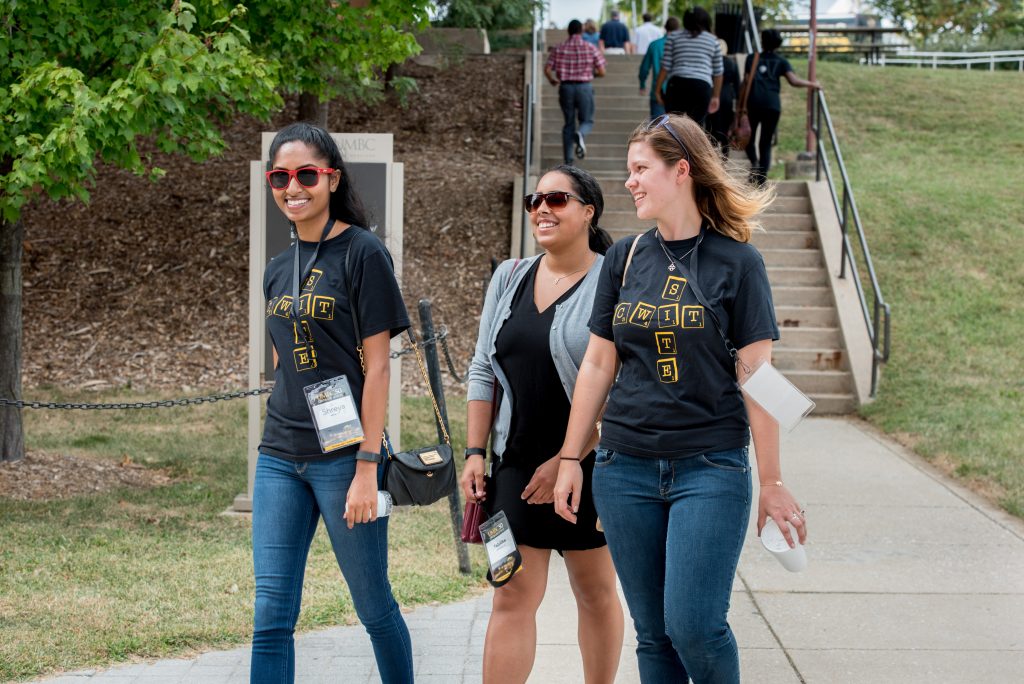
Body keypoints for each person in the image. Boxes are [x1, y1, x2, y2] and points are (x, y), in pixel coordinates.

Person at [552, 113, 808, 683]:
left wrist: (770, 481)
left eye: (641, 169)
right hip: (623, 468)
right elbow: (598, 362)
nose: (630, 182)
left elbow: (758, 379)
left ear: (682, 171)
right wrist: (572, 457)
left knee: (695, 625)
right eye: (629, 171)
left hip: (709, 466)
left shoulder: (739, 263)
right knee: (654, 634)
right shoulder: (623, 258)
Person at [254, 122, 413, 684]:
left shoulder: (363, 253)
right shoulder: (278, 265)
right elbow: (287, 358)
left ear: (331, 178)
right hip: (278, 455)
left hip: (345, 458)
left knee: (374, 606)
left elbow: (377, 369)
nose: (291, 187)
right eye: (280, 176)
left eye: (305, 175)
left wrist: (368, 466)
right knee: (271, 614)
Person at [463, 165, 624, 684]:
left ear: (588, 210)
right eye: (535, 199)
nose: (541, 208)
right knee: (509, 592)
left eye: (557, 198)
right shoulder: (508, 277)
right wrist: (473, 452)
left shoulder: (614, 281)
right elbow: (483, 366)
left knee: (595, 592)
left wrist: (569, 457)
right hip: (515, 465)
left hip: (592, 465)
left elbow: (621, 387)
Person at [745, 28, 822, 185]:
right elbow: (794, 81)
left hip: (753, 102)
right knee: (765, 142)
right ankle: (761, 179)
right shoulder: (781, 61)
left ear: (762, 41)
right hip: (772, 105)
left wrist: (739, 106)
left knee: (748, 139)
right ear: (778, 44)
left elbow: (745, 82)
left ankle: (755, 163)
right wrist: (813, 84)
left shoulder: (752, 58)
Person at [545, 20, 607, 166]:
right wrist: (591, 75)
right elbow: (602, 71)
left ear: (568, 31)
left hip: (566, 88)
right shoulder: (590, 47)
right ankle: (581, 134)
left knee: (568, 123)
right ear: (581, 31)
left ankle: (568, 160)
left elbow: (547, 69)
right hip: (584, 87)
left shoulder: (559, 48)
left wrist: (552, 80)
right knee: (587, 120)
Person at [655, 6, 723, 127]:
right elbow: (718, 73)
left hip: (677, 86)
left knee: (674, 125)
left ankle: (674, 145)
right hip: (702, 87)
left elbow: (665, 67)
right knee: (696, 128)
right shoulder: (713, 41)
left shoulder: (673, 37)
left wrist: (657, 90)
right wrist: (716, 96)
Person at [638, 16, 680, 119]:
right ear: (678, 29)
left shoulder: (654, 45)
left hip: (658, 91)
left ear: (665, 28)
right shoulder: (681, 45)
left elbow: (644, 68)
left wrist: (642, 84)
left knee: (657, 128)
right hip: (678, 92)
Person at [708, 38, 742, 160]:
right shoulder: (731, 63)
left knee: (712, 126)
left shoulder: (711, 62)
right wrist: (738, 100)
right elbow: (738, 83)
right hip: (727, 96)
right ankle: (725, 155)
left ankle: (712, 155)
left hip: (713, 95)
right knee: (726, 126)